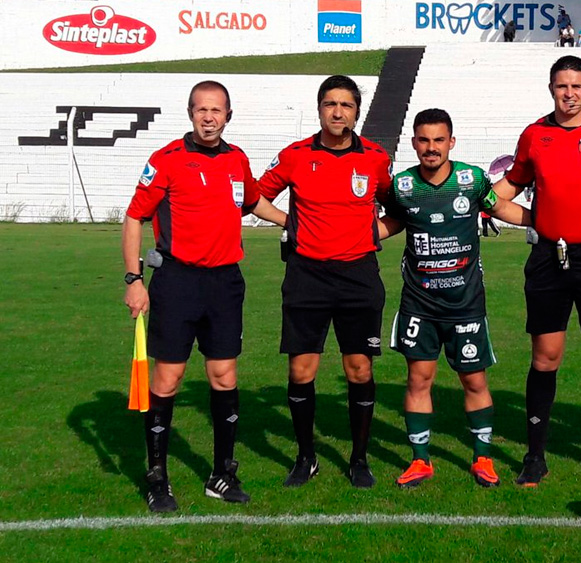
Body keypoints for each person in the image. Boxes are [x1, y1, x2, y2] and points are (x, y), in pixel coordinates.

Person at [123, 80, 286, 512]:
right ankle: (157, 477)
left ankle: (221, 474)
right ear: (190, 113)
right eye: (201, 109)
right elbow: (135, 216)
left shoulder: (237, 159)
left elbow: (254, 202)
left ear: (228, 116)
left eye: (216, 110)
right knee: (169, 378)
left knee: (224, 376)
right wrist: (134, 279)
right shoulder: (166, 160)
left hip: (225, 283)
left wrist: (292, 221)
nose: (209, 117)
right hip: (177, 282)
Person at [493, 56, 581, 486]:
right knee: (545, 356)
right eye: (561, 86)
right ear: (551, 88)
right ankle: (535, 456)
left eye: (576, 86)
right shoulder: (535, 135)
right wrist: (478, 196)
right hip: (548, 260)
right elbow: (509, 187)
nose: (569, 94)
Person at [379, 109, 532, 488]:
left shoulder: (472, 180)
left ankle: (483, 459)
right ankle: (420, 461)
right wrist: (349, 235)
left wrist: (546, 219)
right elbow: (393, 221)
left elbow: (500, 207)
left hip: (465, 303)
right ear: (414, 143)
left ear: (451, 142)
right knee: (418, 380)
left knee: (474, 380)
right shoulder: (402, 186)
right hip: (419, 303)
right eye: (424, 140)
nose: (431, 148)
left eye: (438, 140)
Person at [257, 75, 393, 489]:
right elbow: (255, 197)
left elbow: (398, 210)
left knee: (359, 369)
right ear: (319, 109)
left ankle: (359, 459)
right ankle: (306, 457)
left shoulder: (375, 157)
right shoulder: (295, 155)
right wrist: (290, 223)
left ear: (357, 112)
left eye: (346, 105)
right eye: (330, 104)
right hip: (307, 277)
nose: (338, 112)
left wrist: (371, 234)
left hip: (358, 276)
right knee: (302, 370)